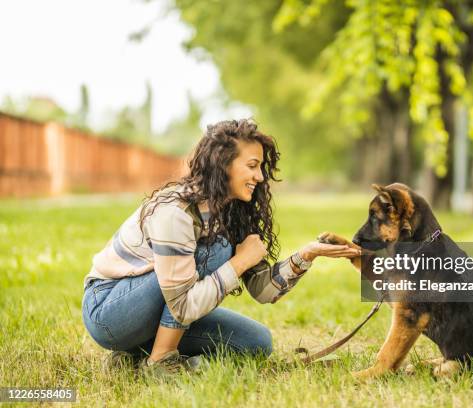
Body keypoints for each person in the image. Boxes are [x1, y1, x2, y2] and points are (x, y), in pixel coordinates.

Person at [81, 119, 359, 376]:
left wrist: (308, 254)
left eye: (261, 167)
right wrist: (238, 262)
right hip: (110, 312)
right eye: (252, 166)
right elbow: (182, 306)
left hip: (163, 304)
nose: (261, 177)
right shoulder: (177, 212)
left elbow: (263, 290)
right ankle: (161, 361)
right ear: (223, 164)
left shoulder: (232, 213)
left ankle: (132, 356)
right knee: (215, 250)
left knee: (256, 343)